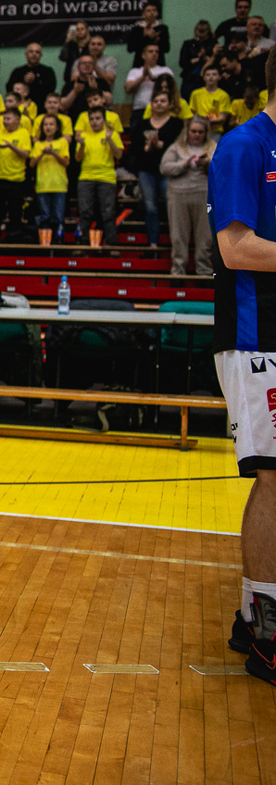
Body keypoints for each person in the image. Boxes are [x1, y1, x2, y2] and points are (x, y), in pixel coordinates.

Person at [205, 57, 276, 685]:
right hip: (258, 338)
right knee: (274, 478)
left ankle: (257, 613)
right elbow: (235, 248)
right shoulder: (244, 146)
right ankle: (265, 627)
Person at [126, 90, 183, 250]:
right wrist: (147, 148)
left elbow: (181, 146)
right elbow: (134, 148)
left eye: (163, 101)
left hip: (168, 172)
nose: (159, 104)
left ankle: (176, 243)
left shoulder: (176, 123)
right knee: (150, 208)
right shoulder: (142, 124)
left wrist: (161, 145)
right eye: (156, 101)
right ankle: (152, 243)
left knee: (171, 207)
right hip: (146, 170)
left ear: (170, 104)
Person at [161, 116, 215, 276]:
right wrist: (184, 164)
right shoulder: (176, 147)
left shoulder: (213, 147)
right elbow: (164, 168)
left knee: (205, 238)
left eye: (200, 132)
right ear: (187, 131)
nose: (196, 135)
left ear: (206, 133)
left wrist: (209, 164)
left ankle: (204, 271)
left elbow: (225, 169)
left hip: (204, 195)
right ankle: (178, 272)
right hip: (179, 195)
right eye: (193, 131)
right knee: (178, 237)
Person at [76, 106, 124, 247]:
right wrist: (81, 145)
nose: (94, 122)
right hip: (86, 177)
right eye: (91, 119)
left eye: (98, 118)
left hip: (106, 178)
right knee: (85, 212)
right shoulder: (83, 136)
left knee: (108, 213)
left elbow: (119, 155)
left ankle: (111, 245)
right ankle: (83, 245)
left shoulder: (111, 134)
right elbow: (78, 158)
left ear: (104, 120)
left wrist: (109, 140)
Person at [0, 108, 33, 244]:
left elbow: (26, 154)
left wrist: (11, 146)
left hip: (16, 179)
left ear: (17, 120)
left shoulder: (24, 133)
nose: (5, 122)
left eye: (8, 119)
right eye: (4, 119)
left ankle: (15, 241)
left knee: (15, 212)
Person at [31, 114, 71, 245]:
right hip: (42, 186)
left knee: (58, 217)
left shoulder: (62, 142)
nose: (48, 127)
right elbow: (32, 163)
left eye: (51, 124)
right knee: (45, 217)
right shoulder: (38, 144)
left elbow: (66, 162)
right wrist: (43, 153)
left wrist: (53, 153)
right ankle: (45, 243)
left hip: (59, 185)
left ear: (57, 127)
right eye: (45, 124)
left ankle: (58, 243)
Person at [7, 42, 57, 111]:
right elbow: (9, 89)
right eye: (31, 52)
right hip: (19, 109)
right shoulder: (17, 71)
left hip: (41, 108)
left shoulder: (47, 71)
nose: (34, 54)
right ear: (26, 54)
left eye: (37, 52)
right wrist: (24, 83)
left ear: (41, 55)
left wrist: (35, 80)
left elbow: (50, 90)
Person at [125, 44, 175, 111]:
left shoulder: (166, 70)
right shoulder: (135, 71)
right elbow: (128, 89)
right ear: (143, 55)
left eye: (156, 52)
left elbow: (172, 89)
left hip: (161, 108)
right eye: (150, 51)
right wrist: (143, 77)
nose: (154, 54)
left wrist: (153, 78)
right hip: (140, 109)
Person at [180, 20, 219, 97]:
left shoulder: (213, 44)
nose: (200, 35)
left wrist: (204, 57)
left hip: (206, 79)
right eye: (199, 31)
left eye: (203, 32)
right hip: (190, 78)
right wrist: (198, 59)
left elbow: (216, 62)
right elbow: (182, 62)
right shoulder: (188, 44)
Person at [191, 64, 232, 134]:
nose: (211, 77)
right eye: (208, 75)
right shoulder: (195, 94)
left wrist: (205, 120)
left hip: (215, 131)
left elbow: (222, 117)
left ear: (219, 77)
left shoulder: (224, 95)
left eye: (214, 74)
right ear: (203, 77)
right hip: (198, 130)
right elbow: (192, 114)